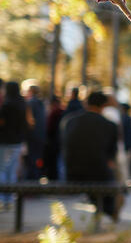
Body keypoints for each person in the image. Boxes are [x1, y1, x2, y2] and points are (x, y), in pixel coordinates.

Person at [61, 91, 120, 221]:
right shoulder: (110, 125)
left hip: (72, 174)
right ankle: (108, 215)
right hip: (99, 174)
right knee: (110, 180)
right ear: (104, 106)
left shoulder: (69, 121)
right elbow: (111, 157)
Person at [0, 81, 28, 205]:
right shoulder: (22, 103)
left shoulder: (7, 104)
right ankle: (9, 199)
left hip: (4, 142)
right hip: (17, 142)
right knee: (11, 171)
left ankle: (0, 199)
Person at [23, 83, 47, 179]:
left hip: (32, 136)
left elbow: (29, 120)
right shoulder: (41, 103)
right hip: (41, 135)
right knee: (37, 159)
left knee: (31, 160)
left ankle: (31, 182)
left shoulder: (30, 103)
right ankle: (36, 178)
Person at [43, 95, 65, 180]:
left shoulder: (53, 113)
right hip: (59, 141)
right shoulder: (63, 112)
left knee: (53, 163)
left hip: (53, 142)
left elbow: (49, 128)